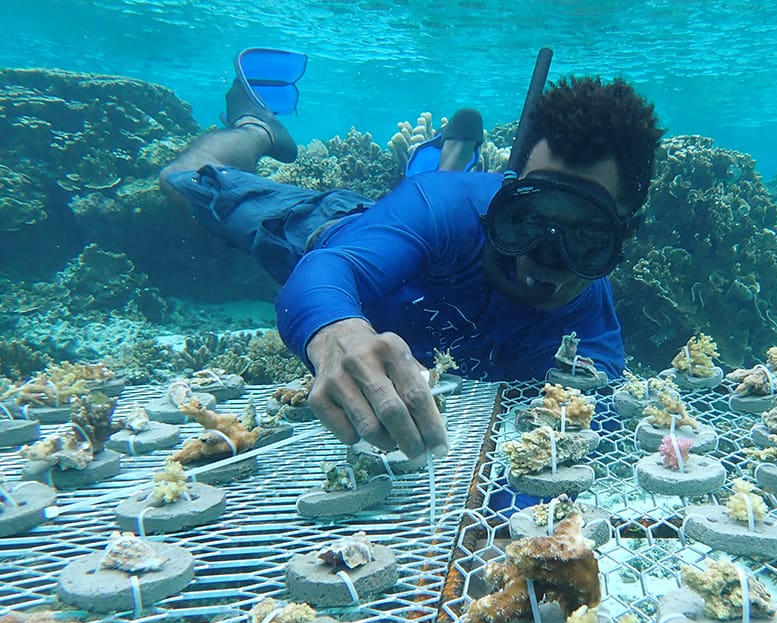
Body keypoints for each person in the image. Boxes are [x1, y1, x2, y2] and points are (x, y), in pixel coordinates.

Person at [159, 70, 663, 464]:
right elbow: (329, 268)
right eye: (527, 217)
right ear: (505, 196)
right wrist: (338, 332)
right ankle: (257, 128)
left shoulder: (590, 330)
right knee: (181, 182)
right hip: (328, 232)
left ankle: (449, 153)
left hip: (421, 234)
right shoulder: (444, 209)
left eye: (587, 236)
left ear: (624, 237)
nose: (544, 256)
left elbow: (589, 433)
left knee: (427, 211)